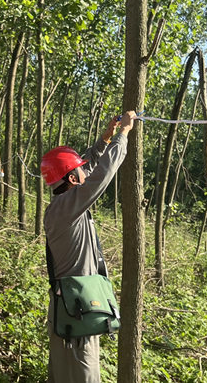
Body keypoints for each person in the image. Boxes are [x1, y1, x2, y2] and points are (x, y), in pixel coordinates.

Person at [42, 110, 137, 383]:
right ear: (72, 179)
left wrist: (106, 138)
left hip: (69, 306)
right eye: (80, 170)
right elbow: (100, 176)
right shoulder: (67, 207)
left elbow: (88, 168)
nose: (85, 170)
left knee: (61, 375)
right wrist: (123, 136)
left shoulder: (64, 204)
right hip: (77, 311)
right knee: (84, 376)